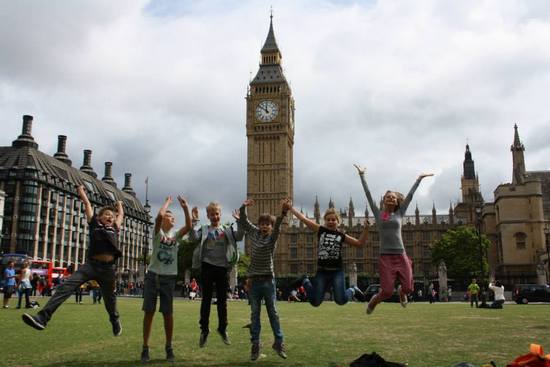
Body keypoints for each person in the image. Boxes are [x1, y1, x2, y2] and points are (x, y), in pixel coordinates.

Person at [23, 185, 124, 336]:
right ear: (100, 217)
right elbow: (88, 204)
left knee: (110, 300)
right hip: (91, 265)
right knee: (65, 287)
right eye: (106, 215)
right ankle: (42, 318)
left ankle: (114, 320)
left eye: (111, 215)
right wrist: (82, 192)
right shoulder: (94, 224)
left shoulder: (115, 227)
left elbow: (120, 215)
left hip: (108, 269)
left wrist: (120, 205)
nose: (110, 217)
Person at [355, 164, 433, 314]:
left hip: (401, 254)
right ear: (384, 200)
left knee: (408, 288)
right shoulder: (378, 214)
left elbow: (410, 196)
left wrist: (419, 179)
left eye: (393, 197)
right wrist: (362, 176)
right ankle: (374, 301)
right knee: (387, 292)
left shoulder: (400, 213)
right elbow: (368, 195)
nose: (390, 198)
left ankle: (402, 293)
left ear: (397, 201)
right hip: (386, 256)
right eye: (388, 196)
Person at [235, 198, 290, 361]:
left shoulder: (272, 238)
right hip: (254, 281)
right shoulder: (253, 232)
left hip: (268, 281)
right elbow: (244, 222)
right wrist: (243, 206)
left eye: (268, 224)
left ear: (271, 227)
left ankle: (279, 342)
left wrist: (283, 213)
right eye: (262, 223)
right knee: (255, 314)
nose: (265, 226)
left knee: (273, 312)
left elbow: (279, 227)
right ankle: (255, 344)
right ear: (259, 225)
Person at [141, 195, 192, 363]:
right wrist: (168, 202)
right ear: (164, 221)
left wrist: (185, 208)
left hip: (168, 278)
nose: (173, 219)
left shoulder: (175, 236)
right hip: (153, 275)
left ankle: (169, 346)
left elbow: (189, 226)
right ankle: (145, 347)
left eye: (173, 217)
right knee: (149, 312)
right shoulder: (157, 233)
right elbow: (158, 217)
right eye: (171, 217)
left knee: (167, 314)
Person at [289, 200, 369, 307]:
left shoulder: (341, 235)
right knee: (315, 302)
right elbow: (303, 219)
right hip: (322, 271)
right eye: (328, 220)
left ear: (338, 221)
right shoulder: (320, 230)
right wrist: (290, 208)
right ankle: (305, 280)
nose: (331, 222)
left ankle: (353, 290)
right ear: (324, 221)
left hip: (337, 271)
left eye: (333, 220)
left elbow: (359, 244)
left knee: (341, 300)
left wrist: (366, 229)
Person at [188, 201, 243, 348]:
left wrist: (240, 221)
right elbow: (192, 238)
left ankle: (222, 329)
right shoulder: (204, 229)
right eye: (212, 214)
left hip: (222, 268)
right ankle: (204, 330)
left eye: (217, 214)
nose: (215, 216)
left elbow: (240, 236)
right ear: (208, 216)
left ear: (220, 214)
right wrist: (193, 222)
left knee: (222, 301)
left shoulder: (227, 230)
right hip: (207, 266)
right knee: (205, 300)